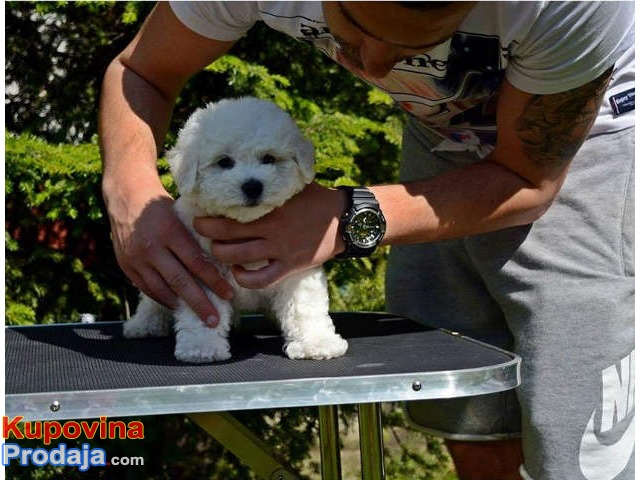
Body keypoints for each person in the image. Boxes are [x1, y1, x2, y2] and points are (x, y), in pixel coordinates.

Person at [99, 2, 635, 479]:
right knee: (468, 411)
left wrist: (349, 216)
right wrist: (132, 191)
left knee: (576, 437)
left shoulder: (572, 7)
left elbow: (528, 179)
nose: (374, 68)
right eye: (354, 25)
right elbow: (140, 69)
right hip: (439, 132)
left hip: (584, 139)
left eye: (419, 44)